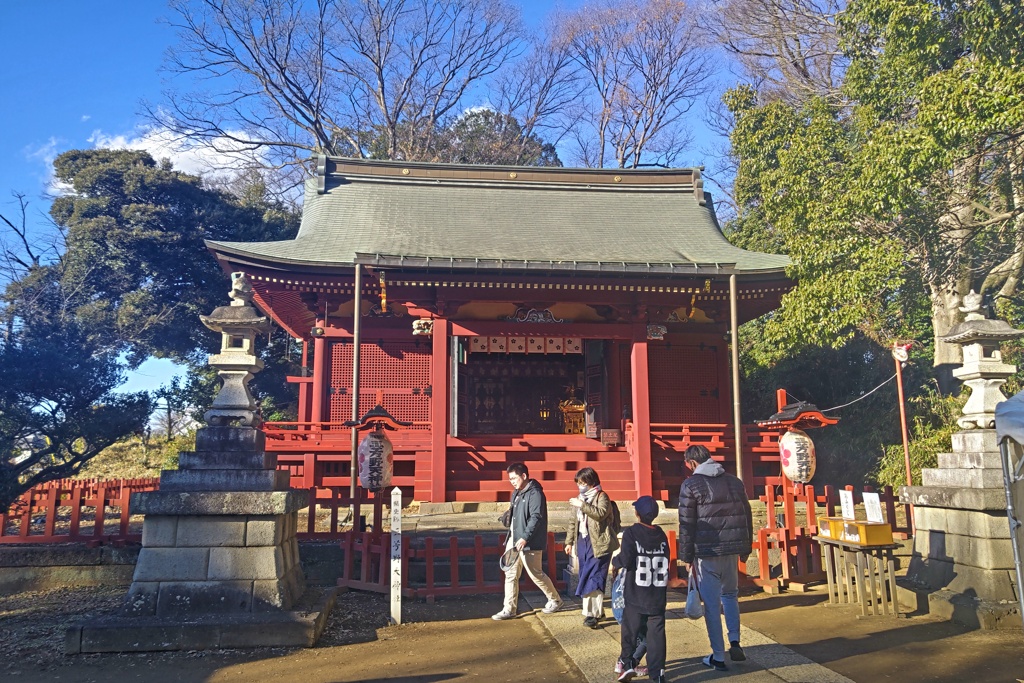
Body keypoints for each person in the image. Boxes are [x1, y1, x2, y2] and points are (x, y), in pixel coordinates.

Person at [677, 444, 753, 672]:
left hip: (706, 552)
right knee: (730, 595)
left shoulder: (690, 484)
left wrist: (686, 555)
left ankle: (718, 656)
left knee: (711, 605)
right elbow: (746, 514)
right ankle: (736, 640)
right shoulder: (734, 481)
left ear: (691, 463)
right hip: (731, 551)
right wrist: (745, 547)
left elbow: (686, 523)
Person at [492, 462, 563, 620]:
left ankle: (555, 599)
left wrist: (525, 537)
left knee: (535, 573)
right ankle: (509, 608)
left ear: (524, 476)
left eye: (514, 478)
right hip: (514, 538)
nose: (512, 481)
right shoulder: (516, 493)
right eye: (510, 479)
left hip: (529, 541)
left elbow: (536, 517)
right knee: (510, 573)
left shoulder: (535, 493)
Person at [612, 496, 668, 683]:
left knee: (630, 631)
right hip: (657, 592)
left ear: (637, 514)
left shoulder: (632, 533)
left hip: (637, 592)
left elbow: (626, 558)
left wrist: (615, 562)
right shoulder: (661, 534)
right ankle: (658, 671)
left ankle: (627, 664)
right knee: (656, 634)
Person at [564, 467, 619, 628]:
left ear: (590, 482)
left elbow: (600, 514)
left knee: (594, 576)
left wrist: (582, 505)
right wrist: (569, 542)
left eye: (582, 483)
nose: (580, 486)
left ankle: (591, 614)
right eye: (578, 483)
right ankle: (597, 611)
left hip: (600, 541)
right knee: (584, 574)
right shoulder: (579, 499)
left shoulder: (602, 496)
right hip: (583, 540)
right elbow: (572, 522)